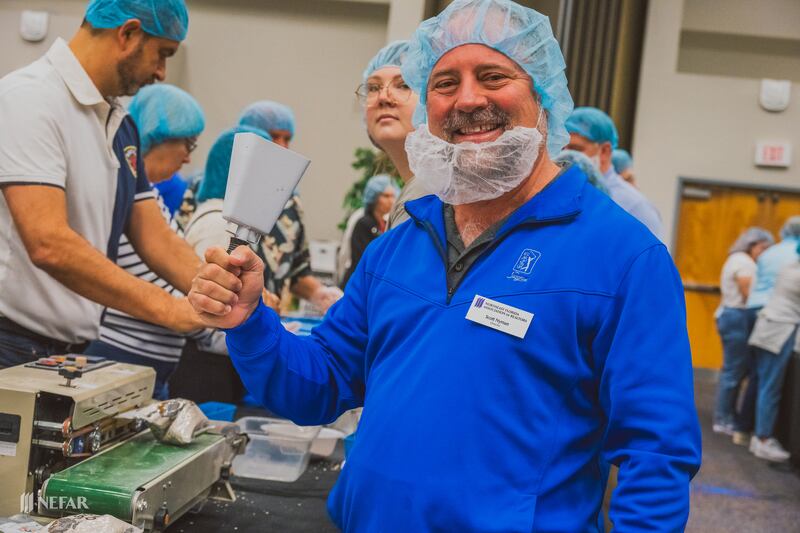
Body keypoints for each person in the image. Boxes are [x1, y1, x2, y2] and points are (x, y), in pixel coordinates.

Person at [189, 1, 701, 531]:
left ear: (543, 97)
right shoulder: (400, 244)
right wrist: (250, 323)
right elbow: (319, 383)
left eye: (493, 76)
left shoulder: (621, 257)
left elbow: (656, 455)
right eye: (445, 83)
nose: (468, 99)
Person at [0, 0, 202, 368]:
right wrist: (169, 308)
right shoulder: (30, 99)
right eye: (162, 54)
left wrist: (215, 287)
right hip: (11, 342)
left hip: (68, 348)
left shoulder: (118, 123)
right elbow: (48, 243)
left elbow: (156, 237)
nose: (161, 72)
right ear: (128, 33)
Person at [84, 84, 205, 399]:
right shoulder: (122, 192)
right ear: (157, 136)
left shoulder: (148, 196)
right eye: (187, 143)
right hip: (118, 359)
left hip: (146, 365)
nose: (188, 157)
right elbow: (150, 276)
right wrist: (209, 313)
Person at [237, 101, 342, 313]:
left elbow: (295, 270)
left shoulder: (290, 202)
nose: (282, 146)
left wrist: (320, 293)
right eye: (274, 136)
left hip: (268, 320)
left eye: (287, 139)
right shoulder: (220, 189)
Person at [357, 40, 425, 231]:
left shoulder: (443, 199)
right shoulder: (409, 199)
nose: (383, 97)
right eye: (373, 88)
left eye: (403, 85)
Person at [712, 228, 774, 436]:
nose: (764, 253)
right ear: (751, 244)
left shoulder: (738, 259)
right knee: (733, 371)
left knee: (735, 369)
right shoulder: (743, 261)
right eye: (762, 248)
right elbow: (747, 292)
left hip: (732, 315)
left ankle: (727, 414)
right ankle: (723, 418)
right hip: (736, 316)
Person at [565, 107, 663, 239]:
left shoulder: (635, 206)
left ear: (604, 151)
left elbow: (649, 251)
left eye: (576, 149)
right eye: (562, 148)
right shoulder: (563, 193)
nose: (566, 155)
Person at [747, 243, 800, 462]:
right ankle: (763, 439)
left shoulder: (789, 267)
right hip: (779, 331)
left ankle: (759, 435)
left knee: (763, 385)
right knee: (770, 389)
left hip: (766, 328)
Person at [340, 175, 397, 287]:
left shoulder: (386, 223)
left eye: (393, 196)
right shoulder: (363, 223)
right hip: (358, 283)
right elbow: (363, 259)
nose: (391, 201)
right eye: (386, 196)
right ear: (374, 197)